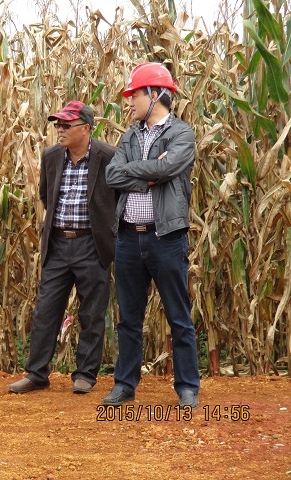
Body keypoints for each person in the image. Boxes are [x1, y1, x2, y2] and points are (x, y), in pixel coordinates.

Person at [103, 62, 200, 409]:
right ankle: (124, 385)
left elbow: (167, 167)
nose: (129, 102)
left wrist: (150, 171)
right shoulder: (130, 135)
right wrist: (148, 174)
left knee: (178, 316)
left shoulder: (182, 134)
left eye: (134, 95)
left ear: (155, 94)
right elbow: (113, 175)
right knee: (128, 318)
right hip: (129, 238)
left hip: (166, 238)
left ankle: (188, 387)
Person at [8, 101, 117, 395]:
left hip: (92, 245)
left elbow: (119, 197)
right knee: (46, 309)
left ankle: (85, 374)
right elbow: (46, 194)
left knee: (92, 312)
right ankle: (36, 373)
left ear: (86, 128)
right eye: (58, 124)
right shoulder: (52, 156)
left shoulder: (108, 157)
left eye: (66, 125)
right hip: (57, 243)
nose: (60, 130)